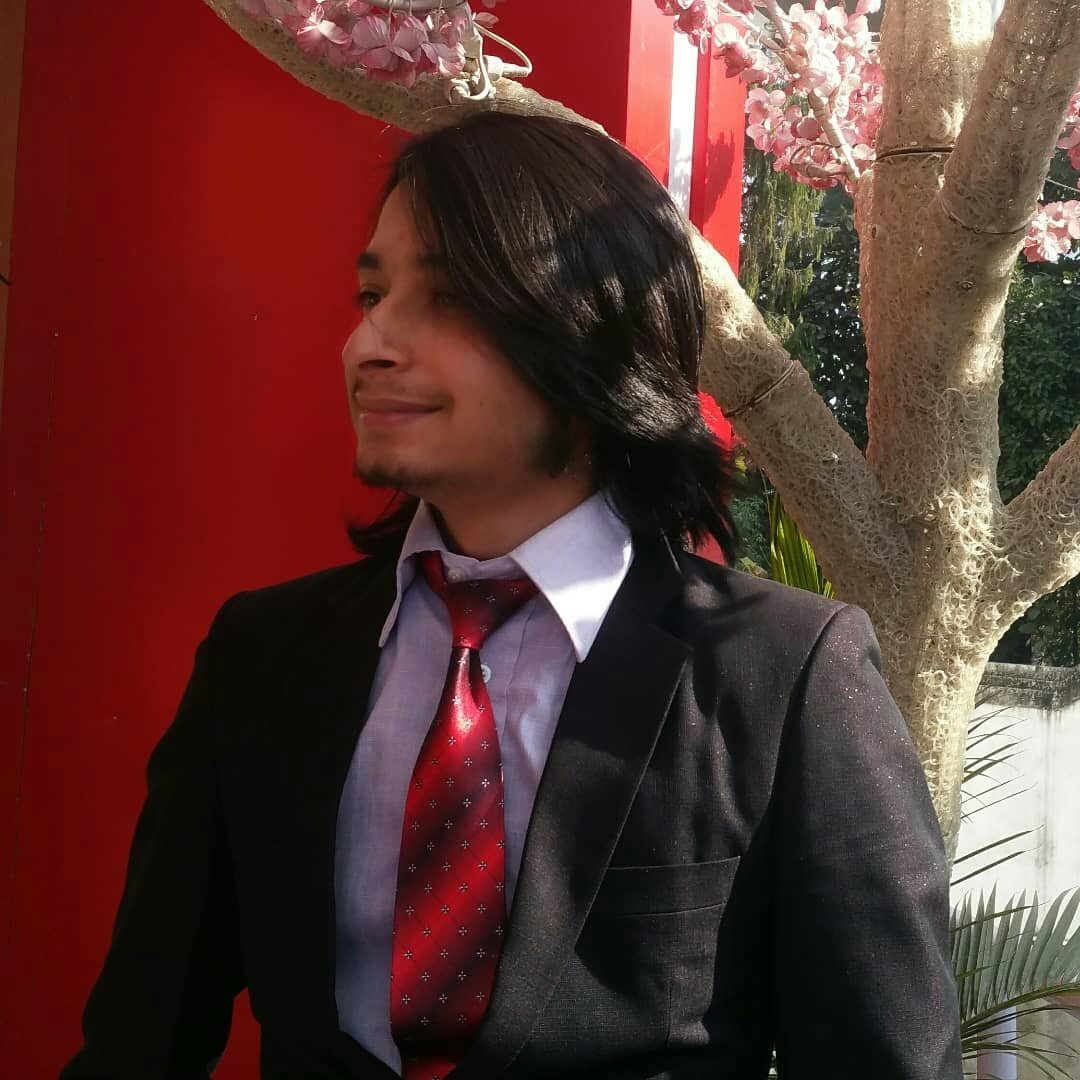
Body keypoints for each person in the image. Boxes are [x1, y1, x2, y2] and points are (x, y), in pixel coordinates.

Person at [63, 112, 961, 1079]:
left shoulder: (781, 673)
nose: (368, 344)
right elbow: (139, 1040)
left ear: (599, 334)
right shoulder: (264, 655)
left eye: (448, 297)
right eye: (372, 294)